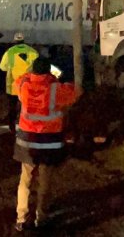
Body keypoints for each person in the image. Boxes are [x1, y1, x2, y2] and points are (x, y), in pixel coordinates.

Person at [12, 57, 78, 232]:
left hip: (27, 141)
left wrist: (31, 75)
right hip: (49, 142)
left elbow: (18, 81)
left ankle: (21, 217)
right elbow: (74, 93)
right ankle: (41, 217)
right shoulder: (56, 90)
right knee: (45, 182)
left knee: (25, 180)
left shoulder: (23, 86)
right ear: (49, 71)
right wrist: (55, 79)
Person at [0, 32, 39, 130]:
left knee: (12, 106)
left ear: (14, 41)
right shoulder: (33, 52)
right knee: (26, 106)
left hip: (13, 85)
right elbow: (38, 68)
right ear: (23, 40)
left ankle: (11, 126)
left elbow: (2, 67)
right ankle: (25, 125)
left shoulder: (9, 52)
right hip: (28, 84)